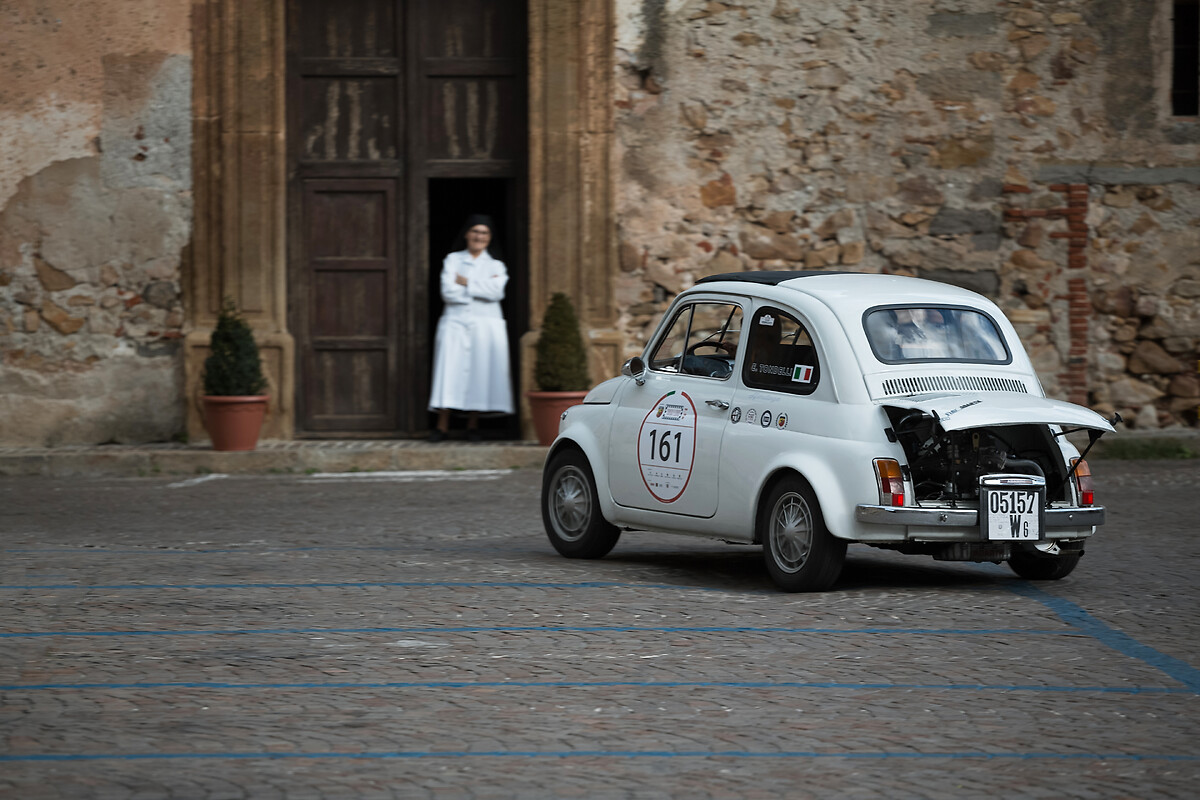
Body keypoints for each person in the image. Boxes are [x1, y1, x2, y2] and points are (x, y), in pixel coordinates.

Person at [427, 214, 514, 441]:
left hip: (485, 326)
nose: (479, 236)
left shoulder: (496, 265)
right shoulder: (452, 260)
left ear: (490, 237)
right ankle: (442, 425)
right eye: (475, 231)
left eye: (484, 233)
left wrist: (466, 282)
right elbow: (448, 292)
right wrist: (482, 287)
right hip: (454, 323)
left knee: (480, 372)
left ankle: (472, 425)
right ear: (466, 234)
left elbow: (498, 292)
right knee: (449, 371)